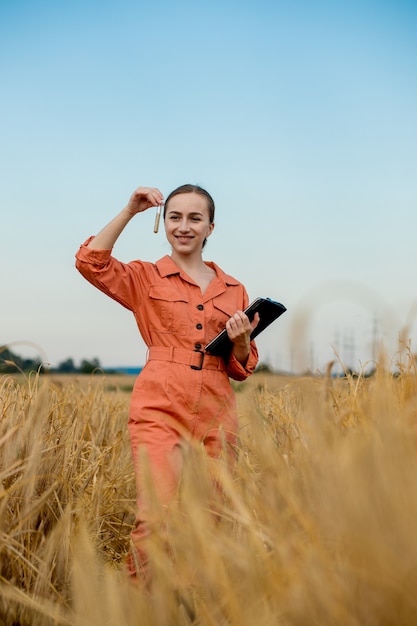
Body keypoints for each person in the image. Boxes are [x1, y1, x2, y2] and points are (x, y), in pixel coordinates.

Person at [75, 184, 259, 579]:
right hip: (161, 402)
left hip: (216, 408)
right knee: (158, 517)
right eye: (175, 217)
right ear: (164, 222)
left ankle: (182, 606)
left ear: (211, 227)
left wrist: (242, 342)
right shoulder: (145, 276)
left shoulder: (235, 289)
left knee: (205, 521)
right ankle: (140, 610)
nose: (184, 226)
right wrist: (129, 210)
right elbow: (91, 263)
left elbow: (241, 366)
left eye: (195, 218)